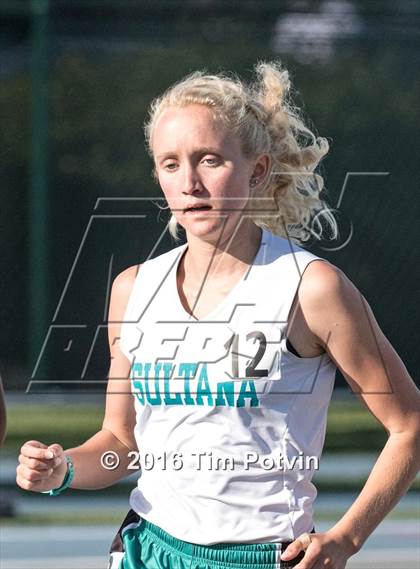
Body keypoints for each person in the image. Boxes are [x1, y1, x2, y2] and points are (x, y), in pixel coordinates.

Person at [16, 62, 420, 569]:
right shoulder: (133, 288)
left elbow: (410, 425)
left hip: (263, 554)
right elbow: (122, 442)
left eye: (209, 160)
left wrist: (345, 539)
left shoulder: (310, 287)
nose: (190, 183)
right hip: (146, 548)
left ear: (257, 170)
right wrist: (63, 470)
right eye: (170, 164)